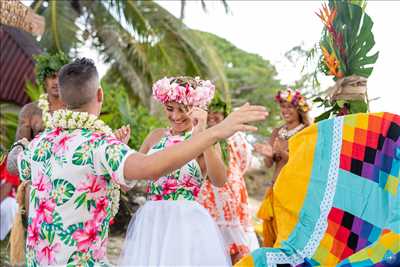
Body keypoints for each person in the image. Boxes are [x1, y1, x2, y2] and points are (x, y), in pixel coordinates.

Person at [7, 59, 268, 266]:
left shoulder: (41, 143)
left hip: (41, 260)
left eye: (183, 109)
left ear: (62, 99)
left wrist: (20, 146)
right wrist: (215, 131)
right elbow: (145, 167)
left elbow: (13, 164)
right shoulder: (103, 146)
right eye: (170, 109)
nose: (176, 116)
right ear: (100, 95)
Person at [197, 92, 259, 264]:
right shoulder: (199, 135)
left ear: (225, 114)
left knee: (235, 250)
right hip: (206, 194)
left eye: (217, 112)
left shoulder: (236, 135)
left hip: (231, 193)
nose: (212, 115)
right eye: (209, 111)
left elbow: (244, 161)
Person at [254, 88, 311, 247]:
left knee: (288, 234)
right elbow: (268, 165)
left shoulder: (306, 132)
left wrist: (281, 153)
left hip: (294, 190)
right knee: (272, 232)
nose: (285, 111)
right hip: (274, 187)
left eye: (290, 107)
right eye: (283, 107)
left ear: (299, 109)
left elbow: (303, 163)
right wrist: (268, 154)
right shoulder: (277, 131)